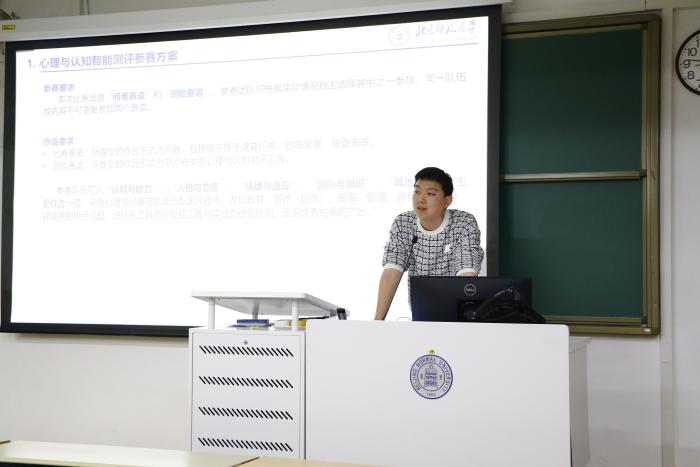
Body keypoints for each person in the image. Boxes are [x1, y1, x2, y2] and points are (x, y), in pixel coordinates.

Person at [374, 167, 484, 320]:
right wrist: (377, 322)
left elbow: (466, 275)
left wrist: (461, 321)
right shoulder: (403, 223)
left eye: (430, 194)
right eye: (417, 191)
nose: (421, 199)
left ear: (447, 201)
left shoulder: (463, 223)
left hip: (458, 318)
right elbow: (391, 273)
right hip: (421, 316)